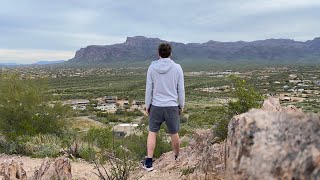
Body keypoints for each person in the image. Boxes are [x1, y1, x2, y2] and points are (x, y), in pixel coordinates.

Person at [143, 43, 185, 171]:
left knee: (152, 132)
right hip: (172, 105)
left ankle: (149, 162)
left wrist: (147, 105)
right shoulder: (177, 68)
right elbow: (181, 89)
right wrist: (181, 105)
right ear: (170, 53)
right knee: (174, 132)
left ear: (158, 53)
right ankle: (177, 157)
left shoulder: (152, 67)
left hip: (156, 105)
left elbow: (149, 88)